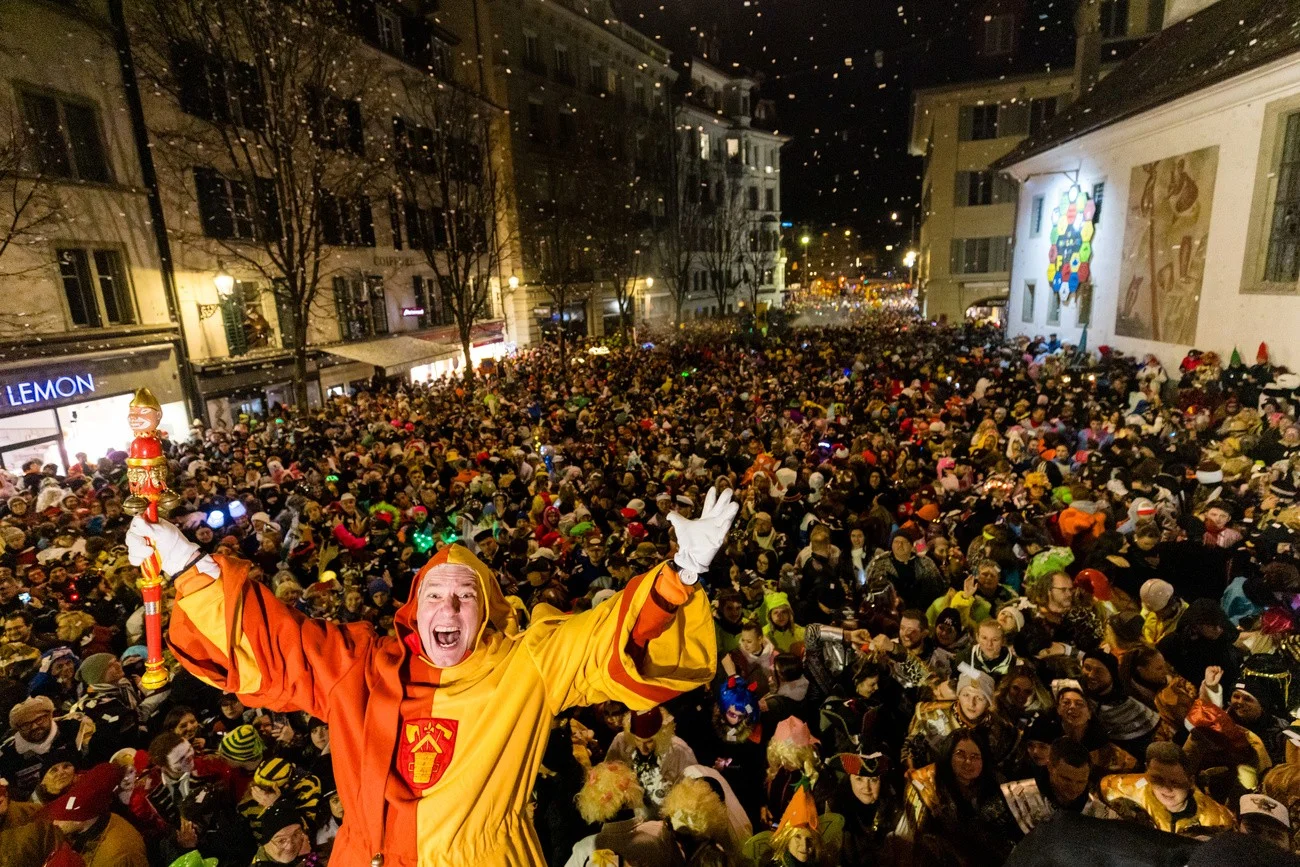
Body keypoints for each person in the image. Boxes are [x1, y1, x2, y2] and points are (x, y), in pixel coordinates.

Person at [126, 486, 738, 864]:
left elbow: (605, 636)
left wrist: (680, 573)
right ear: (413, 609)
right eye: (435, 596)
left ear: (487, 610)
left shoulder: (525, 666)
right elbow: (276, 646)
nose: (449, 608)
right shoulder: (359, 668)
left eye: (465, 596)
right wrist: (187, 564)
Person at [1100, 741, 1235, 837]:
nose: (1166, 788)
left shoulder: (1218, 819)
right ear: (1147, 770)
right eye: (1158, 779)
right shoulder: (1117, 790)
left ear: (1190, 781)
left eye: (1175, 782)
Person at [44, 762, 149, 867]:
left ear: (78, 818)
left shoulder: (116, 855)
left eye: (60, 816)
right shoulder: (93, 830)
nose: (54, 822)